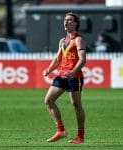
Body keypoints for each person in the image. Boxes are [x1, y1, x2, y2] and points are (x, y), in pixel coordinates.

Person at [44, 12, 86, 144]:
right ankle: (60, 130)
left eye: (69, 20)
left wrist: (73, 71)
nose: (66, 22)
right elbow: (57, 58)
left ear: (75, 23)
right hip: (62, 76)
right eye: (65, 20)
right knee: (48, 101)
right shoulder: (62, 40)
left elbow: (83, 59)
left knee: (76, 105)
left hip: (74, 77)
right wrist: (49, 69)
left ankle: (80, 136)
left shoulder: (79, 39)